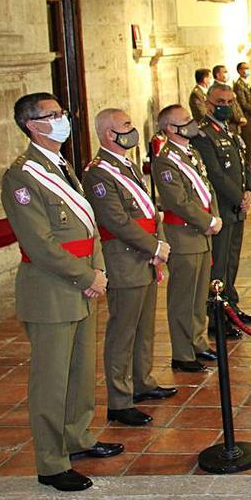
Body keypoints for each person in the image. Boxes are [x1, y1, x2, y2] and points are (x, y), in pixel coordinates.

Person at [1, 93, 123, 492]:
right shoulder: (22, 175)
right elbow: (40, 244)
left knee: (79, 372)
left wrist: (98, 269)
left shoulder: (61, 166)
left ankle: (78, 437)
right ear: (33, 125)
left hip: (82, 282)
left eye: (62, 114)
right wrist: (85, 276)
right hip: (52, 290)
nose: (62, 120)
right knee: (51, 380)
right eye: (53, 116)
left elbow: (88, 227)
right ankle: (51, 462)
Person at [83, 108, 176, 429]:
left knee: (144, 327)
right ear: (109, 134)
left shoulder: (125, 165)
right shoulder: (97, 173)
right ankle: (120, 401)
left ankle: (142, 380)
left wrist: (157, 245)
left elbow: (150, 211)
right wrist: (153, 246)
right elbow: (116, 220)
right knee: (123, 332)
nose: (132, 130)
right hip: (124, 261)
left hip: (145, 258)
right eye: (126, 126)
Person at [152, 105, 221, 374]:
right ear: (170, 128)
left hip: (202, 235)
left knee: (198, 293)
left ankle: (197, 341)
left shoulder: (190, 153)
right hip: (184, 235)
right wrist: (206, 222)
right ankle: (182, 352)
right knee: (183, 296)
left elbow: (206, 188)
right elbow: (178, 201)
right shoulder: (166, 160)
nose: (192, 124)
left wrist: (213, 217)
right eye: (185, 121)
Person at [193, 83, 251, 332]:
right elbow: (215, 175)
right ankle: (217, 316)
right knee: (219, 264)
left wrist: (249, 190)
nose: (226, 107)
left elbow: (243, 164)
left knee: (232, 261)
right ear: (208, 104)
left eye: (230, 102)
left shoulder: (229, 132)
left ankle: (231, 305)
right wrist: (238, 198)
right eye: (221, 102)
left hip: (236, 208)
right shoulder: (203, 135)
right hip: (221, 208)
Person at [232, 62, 251, 165]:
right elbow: (243, 103)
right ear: (239, 70)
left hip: (250, 118)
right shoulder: (239, 85)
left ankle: (250, 166)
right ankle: (247, 167)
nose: (247, 70)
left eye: (248, 68)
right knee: (248, 144)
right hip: (246, 117)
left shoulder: (245, 84)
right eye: (244, 68)